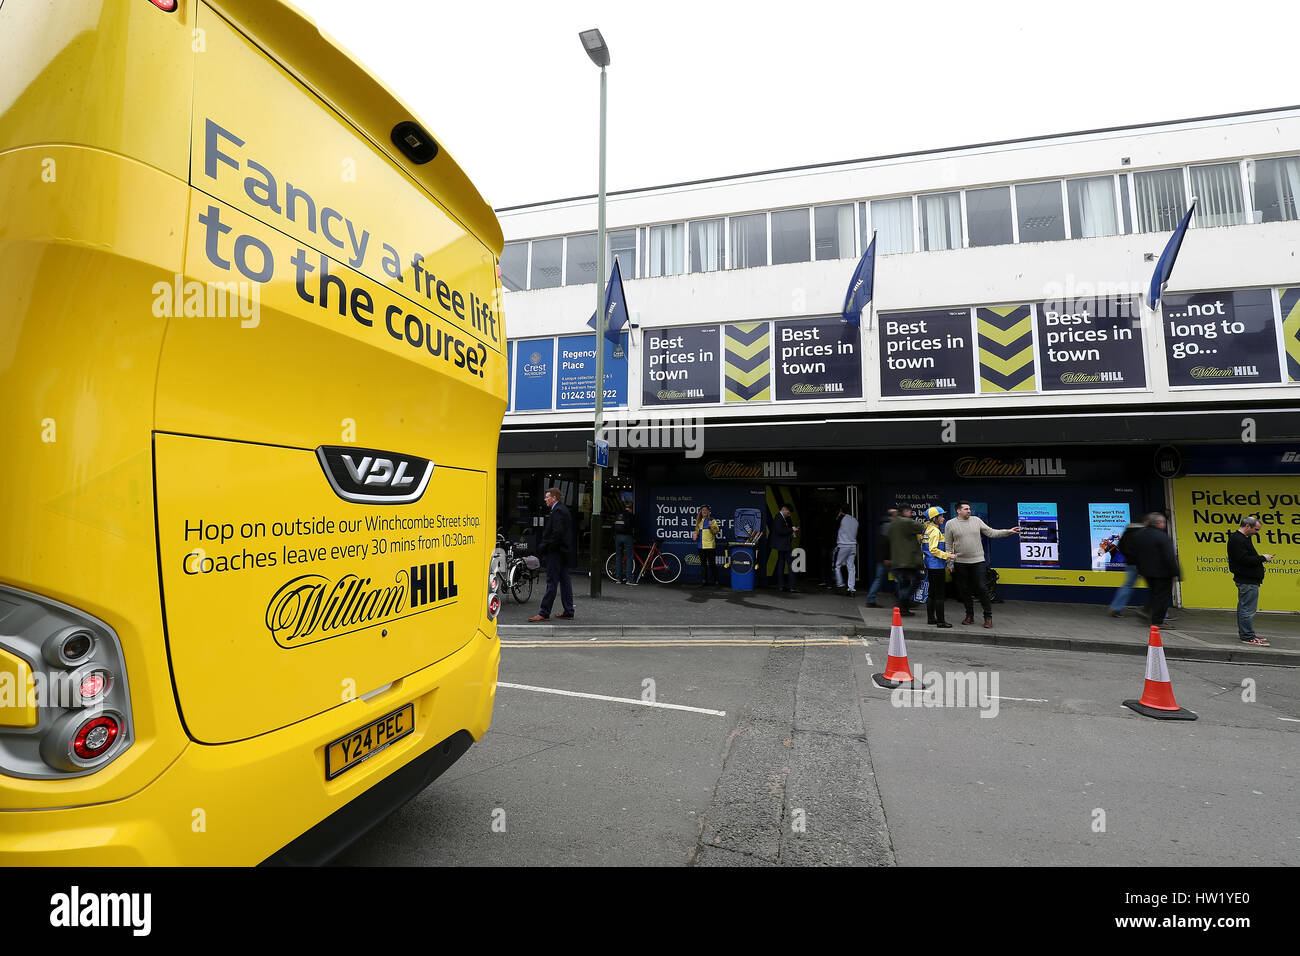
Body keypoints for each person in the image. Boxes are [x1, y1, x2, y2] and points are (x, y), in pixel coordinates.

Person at [946, 501, 1022, 628]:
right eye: (966, 509)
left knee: (982, 588)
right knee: (964, 590)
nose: (969, 511)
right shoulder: (950, 524)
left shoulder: (976, 520)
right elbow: (948, 545)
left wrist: (1008, 531)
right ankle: (969, 616)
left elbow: (991, 532)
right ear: (958, 511)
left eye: (969, 509)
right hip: (960, 562)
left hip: (978, 561)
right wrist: (950, 562)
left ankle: (988, 617)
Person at [528, 487, 574, 622]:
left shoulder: (558, 511)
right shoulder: (563, 510)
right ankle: (569, 611)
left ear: (554, 498)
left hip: (556, 553)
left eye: (547, 497)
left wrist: (545, 547)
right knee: (565, 582)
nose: (545, 499)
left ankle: (544, 612)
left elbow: (557, 534)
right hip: (564, 552)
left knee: (551, 582)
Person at [1128, 512, 1180, 628]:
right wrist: (1176, 572)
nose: (1164, 524)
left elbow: (1134, 554)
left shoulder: (1139, 535)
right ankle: (1158, 621)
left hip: (1146, 572)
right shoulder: (1162, 536)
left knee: (1154, 594)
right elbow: (1169, 556)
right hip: (1163, 573)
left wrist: (1140, 570)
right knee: (1162, 597)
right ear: (1159, 523)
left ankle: (1148, 612)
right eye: (1163, 522)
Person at [1227, 515, 1273, 646]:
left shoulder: (1244, 538)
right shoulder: (1237, 540)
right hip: (1247, 580)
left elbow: (1246, 558)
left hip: (1249, 579)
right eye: (1256, 529)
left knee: (1245, 607)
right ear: (1247, 526)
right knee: (1247, 609)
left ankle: (1247, 633)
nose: (1257, 532)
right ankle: (1247, 636)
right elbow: (1243, 560)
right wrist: (1263, 558)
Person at [885, 506, 926, 616]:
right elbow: (922, 528)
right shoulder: (907, 522)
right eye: (910, 511)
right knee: (915, 581)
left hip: (897, 560)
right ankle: (903, 602)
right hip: (908, 560)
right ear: (905, 511)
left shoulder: (892, 524)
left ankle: (903, 605)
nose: (911, 514)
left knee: (903, 583)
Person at [1106, 517, 1148, 618]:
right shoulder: (1144, 533)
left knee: (1127, 586)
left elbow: (1121, 547)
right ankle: (1161, 612)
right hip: (1143, 563)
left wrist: (1130, 558)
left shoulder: (1127, 532)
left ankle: (1115, 608)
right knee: (1156, 587)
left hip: (1130, 564)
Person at [922, 507, 954, 628]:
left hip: (930, 565)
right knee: (940, 595)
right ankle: (941, 621)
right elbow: (933, 550)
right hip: (937, 566)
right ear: (934, 518)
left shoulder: (927, 529)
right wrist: (948, 555)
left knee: (931, 593)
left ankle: (931, 618)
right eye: (941, 516)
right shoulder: (935, 531)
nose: (943, 518)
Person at [865, 508, 897, 607]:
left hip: (881, 558)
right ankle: (904, 599)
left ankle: (870, 599)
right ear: (892, 515)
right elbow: (885, 543)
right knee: (900, 577)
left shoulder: (883, 525)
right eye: (896, 513)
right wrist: (887, 558)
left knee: (879, 579)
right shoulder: (888, 527)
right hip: (886, 559)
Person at [769, 504, 799, 592]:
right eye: (788, 513)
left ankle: (781, 585)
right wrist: (792, 530)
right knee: (791, 564)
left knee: (781, 564)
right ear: (784, 510)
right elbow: (781, 531)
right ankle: (792, 587)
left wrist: (791, 529)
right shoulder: (778, 518)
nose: (789, 515)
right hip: (784, 545)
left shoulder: (784, 518)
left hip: (782, 545)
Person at [833, 504, 859, 595]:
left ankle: (840, 584)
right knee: (851, 567)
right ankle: (851, 588)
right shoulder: (855, 520)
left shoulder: (841, 518)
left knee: (837, 565)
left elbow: (834, 528)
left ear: (841, 510)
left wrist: (838, 516)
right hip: (853, 546)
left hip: (843, 545)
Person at [693, 506, 722, 588]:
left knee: (712, 564)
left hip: (710, 546)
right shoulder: (699, 521)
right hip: (701, 546)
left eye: (706, 510)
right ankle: (704, 581)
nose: (704, 511)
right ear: (701, 512)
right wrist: (695, 534)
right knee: (703, 565)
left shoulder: (712, 520)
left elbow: (716, 531)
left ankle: (716, 582)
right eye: (703, 510)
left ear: (708, 512)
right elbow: (697, 532)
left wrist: (712, 526)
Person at [613, 499, 637, 585]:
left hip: (618, 537)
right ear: (631, 508)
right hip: (627, 537)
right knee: (629, 557)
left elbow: (613, 526)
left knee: (618, 557)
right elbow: (634, 527)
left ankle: (618, 579)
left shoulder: (619, 514)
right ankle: (629, 579)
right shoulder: (630, 515)